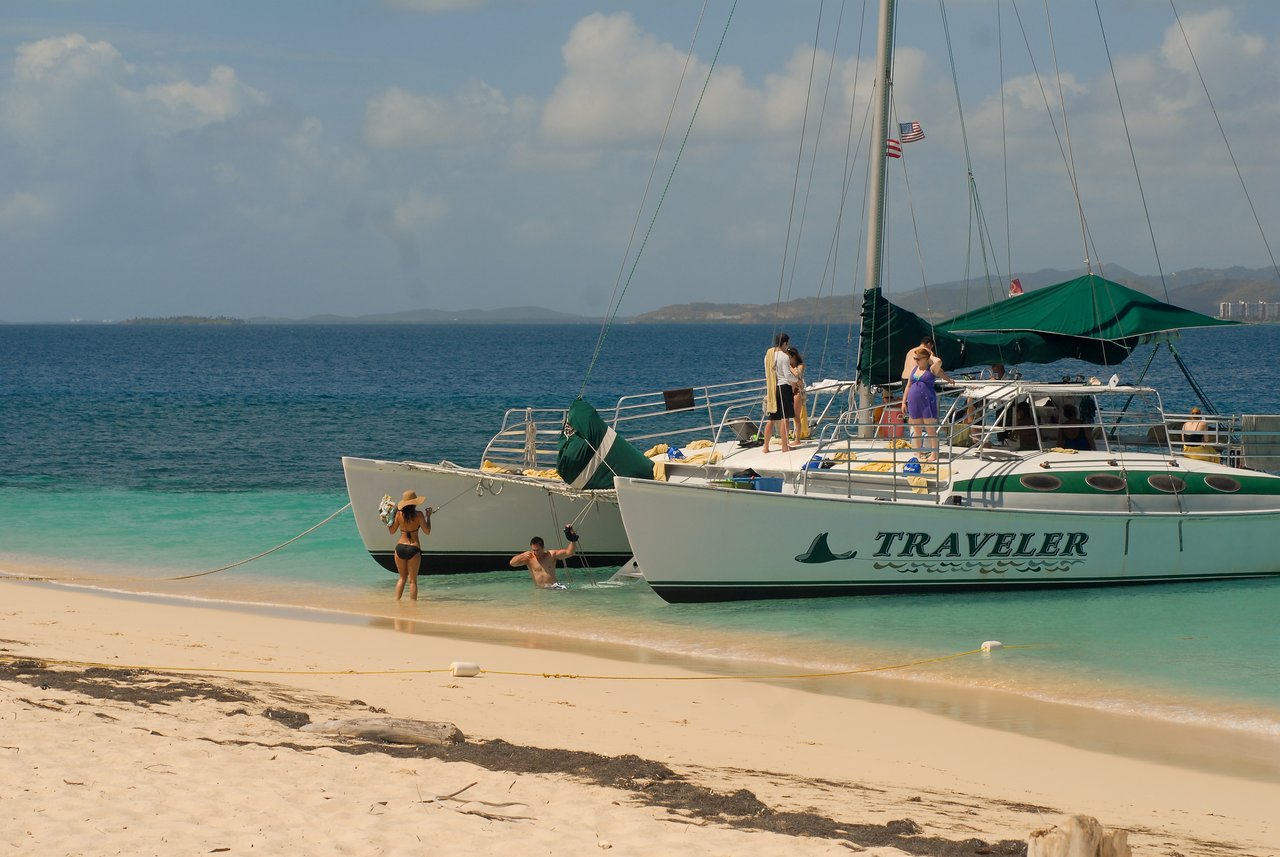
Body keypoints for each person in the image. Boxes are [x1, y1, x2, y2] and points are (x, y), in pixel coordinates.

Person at [902, 347, 952, 461]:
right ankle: (918, 453)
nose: (916, 360)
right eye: (915, 358)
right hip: (914, 402)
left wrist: (930, 355)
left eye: (918, 358)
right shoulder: (915, 369)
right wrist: (903, 402)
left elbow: (938, 361)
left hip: (927, 401)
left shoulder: (932, 369)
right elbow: (909, 385)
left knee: (930, 429)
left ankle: (934, 453)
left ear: (925, 359)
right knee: (917, 430)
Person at [387, 489, 431, 601]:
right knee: (412, 580)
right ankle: (413, 607)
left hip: (400, 547)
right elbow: (427, 531)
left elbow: (391, 531)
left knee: (401, 578)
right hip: (413, 548)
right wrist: (428, 517)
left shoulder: (398, 514)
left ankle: (396, 603)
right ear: (414, 503)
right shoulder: (419, 515)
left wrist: (389, 520)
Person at [510, 524, 579, 588]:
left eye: (538, 550)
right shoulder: (529, 558)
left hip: (554, 588)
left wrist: (572, 540)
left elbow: (570, 552)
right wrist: (522, 555)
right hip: (541, 591)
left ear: (543, 548)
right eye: (534, 550)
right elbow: (512, 563)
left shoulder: (551, 555)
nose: (535, 552)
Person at [762, 332, 795, 453]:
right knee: (785, 419)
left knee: (772, 419)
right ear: (785, 343)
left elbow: (767, 374)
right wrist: (798, 380)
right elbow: (787, 375)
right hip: (784, 388)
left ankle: (766, 447)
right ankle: (785, 447)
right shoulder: (784, 356)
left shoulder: (768, 356)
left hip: (772, 389)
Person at [788, 346, 810, 440]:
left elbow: (798, 374)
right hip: (788, 391)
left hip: (797, 392)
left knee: (797, 416)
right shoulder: (788, 367)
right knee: (787, 416)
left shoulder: (800, 365)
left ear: (794, 357)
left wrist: (789, 367)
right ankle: (789, 436)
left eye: (788, 357)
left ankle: (798, 438)